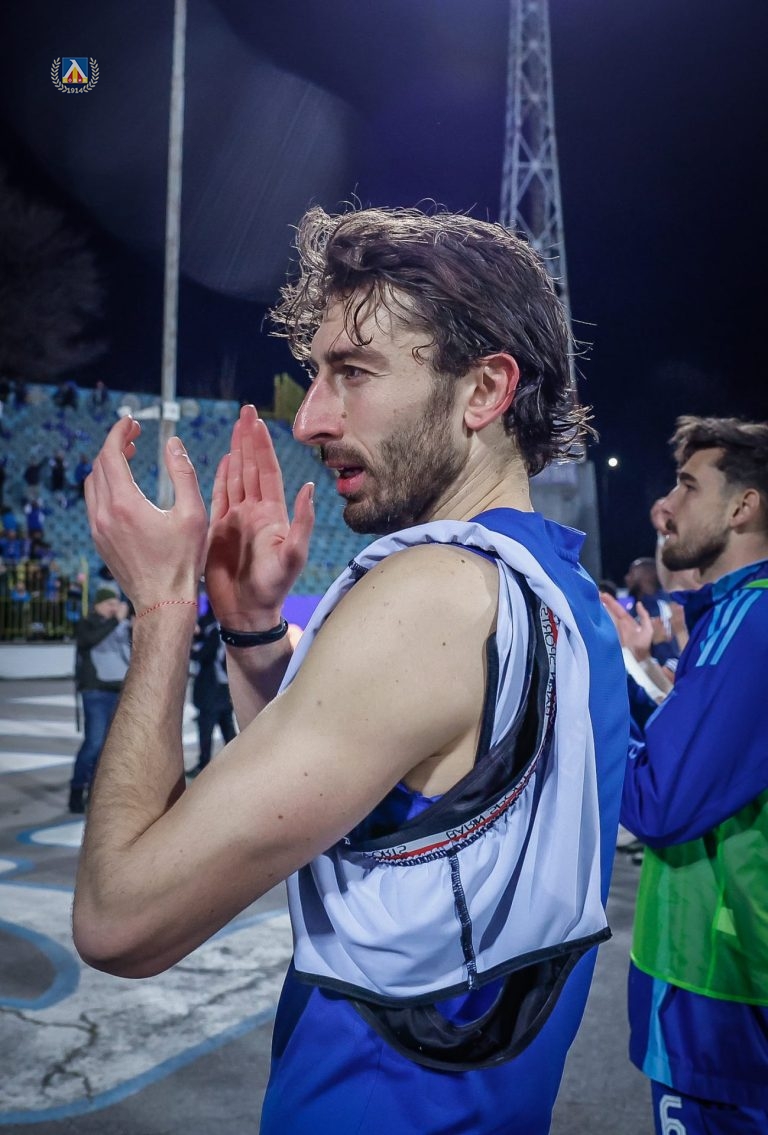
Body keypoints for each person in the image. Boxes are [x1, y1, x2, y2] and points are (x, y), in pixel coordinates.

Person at [72, 206, 628, 1134]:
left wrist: (163, 607)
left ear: (485, 388)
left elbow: (118, 921)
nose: (312, 418)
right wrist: (252, 630)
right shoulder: (564, 594)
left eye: (354, 372)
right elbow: (352, 807)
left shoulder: (430, 594)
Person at [617, 416, 768, 1133]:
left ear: (743, 507)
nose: (663, 506)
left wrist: (581, 697)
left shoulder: (752, 616)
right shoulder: (732, 616)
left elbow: (660, 800)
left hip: (715, 980)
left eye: (686, 485)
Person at [69, 587, 132, 814]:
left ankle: (96, 792)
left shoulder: (122, 625)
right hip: (95, 690)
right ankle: (77, 789)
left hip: (118, 690)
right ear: (97, 605)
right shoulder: (87, 623)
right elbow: (90, 640)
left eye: (116, 604)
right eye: (109, 604)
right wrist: (116, 622)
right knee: (94, 743)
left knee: (109, 747)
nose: (114, 608)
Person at [189, 608, 237, 777]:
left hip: (212, 689)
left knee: (206, 728)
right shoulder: (229, 630)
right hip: (225, 687)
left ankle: (204, 765)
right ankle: (238, 761)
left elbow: (203, 655)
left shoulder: (215, 631)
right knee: (227, 727)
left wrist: (189, 646)